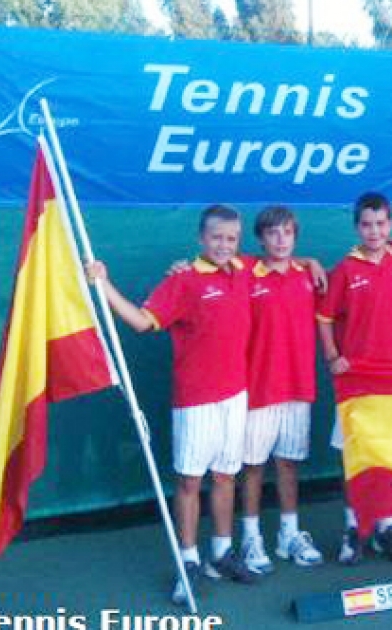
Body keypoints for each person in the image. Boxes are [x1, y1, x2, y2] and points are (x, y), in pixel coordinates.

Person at [86, 205, 259, 606]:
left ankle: (220, 553)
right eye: (216, 237)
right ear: (201, 238)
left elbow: (279, 259)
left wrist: (309, 260)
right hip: (195, 401)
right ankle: (189, 563)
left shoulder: (244, 269)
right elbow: (142, 322)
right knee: (189, 483)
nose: (223, 244)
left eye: (231, 238)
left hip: (236, 396)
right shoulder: (183, 280)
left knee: (225, 477)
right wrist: (104, 283)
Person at [317, 192, 392, 565]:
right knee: (356, 459)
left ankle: (385, 528)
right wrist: (332, 356)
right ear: (356, 226)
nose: (374, 231)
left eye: (380, 223)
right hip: (358, 383)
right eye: (366, 224)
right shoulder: (345, 269)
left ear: (390, 224)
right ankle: (354, 527)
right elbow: (325, 318)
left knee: (390, 455)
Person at [239, 206, 324, 574]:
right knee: (253, 467)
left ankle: (288, 535)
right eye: (272, 233)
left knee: (288, 465)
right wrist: (181, 266)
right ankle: (250, 537)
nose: (280, 240)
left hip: (298, 388)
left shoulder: (308, 274)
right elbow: (209, 264)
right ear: (260, 238)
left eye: (287, 233)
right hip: (258, 390)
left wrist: (312, 260)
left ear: (295, 236)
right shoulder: (243, 273)